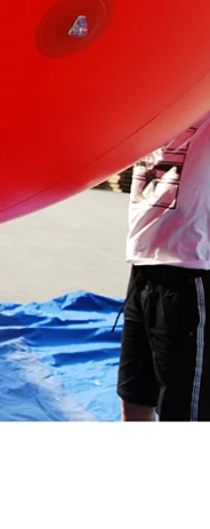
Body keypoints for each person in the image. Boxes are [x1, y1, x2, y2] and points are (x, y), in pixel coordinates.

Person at [117, 108, 210, 421]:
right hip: (144, 263)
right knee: (134, 398)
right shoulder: (155, 102)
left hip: (189, 269)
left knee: (182, 412)